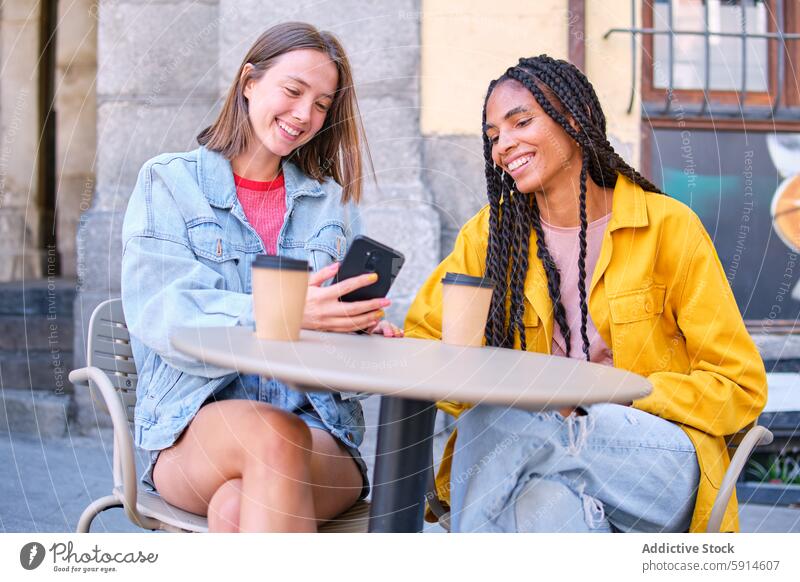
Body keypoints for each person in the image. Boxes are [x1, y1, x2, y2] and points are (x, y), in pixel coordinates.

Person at [404, 55, 767, 533]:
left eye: (521, 122)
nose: (504, 145)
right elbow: (425, 342)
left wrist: (612, 394)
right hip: (539, 460)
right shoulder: (490, 237)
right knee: (543, 510)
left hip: (658, 461)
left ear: (574, 120)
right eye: (493, 136)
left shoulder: (668, 228)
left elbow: (740, 388)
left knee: (501, 422)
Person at [121, 22, 402, 533]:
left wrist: (358, 333)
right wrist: (284, 310)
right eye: (293, 91)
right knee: (271, 437)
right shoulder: (170, 182)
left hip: (318, 431)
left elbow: (340, 348)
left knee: (238, 508)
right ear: (249, 81)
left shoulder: (331, 204)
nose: (304, 115)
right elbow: (160, 312)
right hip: (196, 429)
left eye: (321, 105)